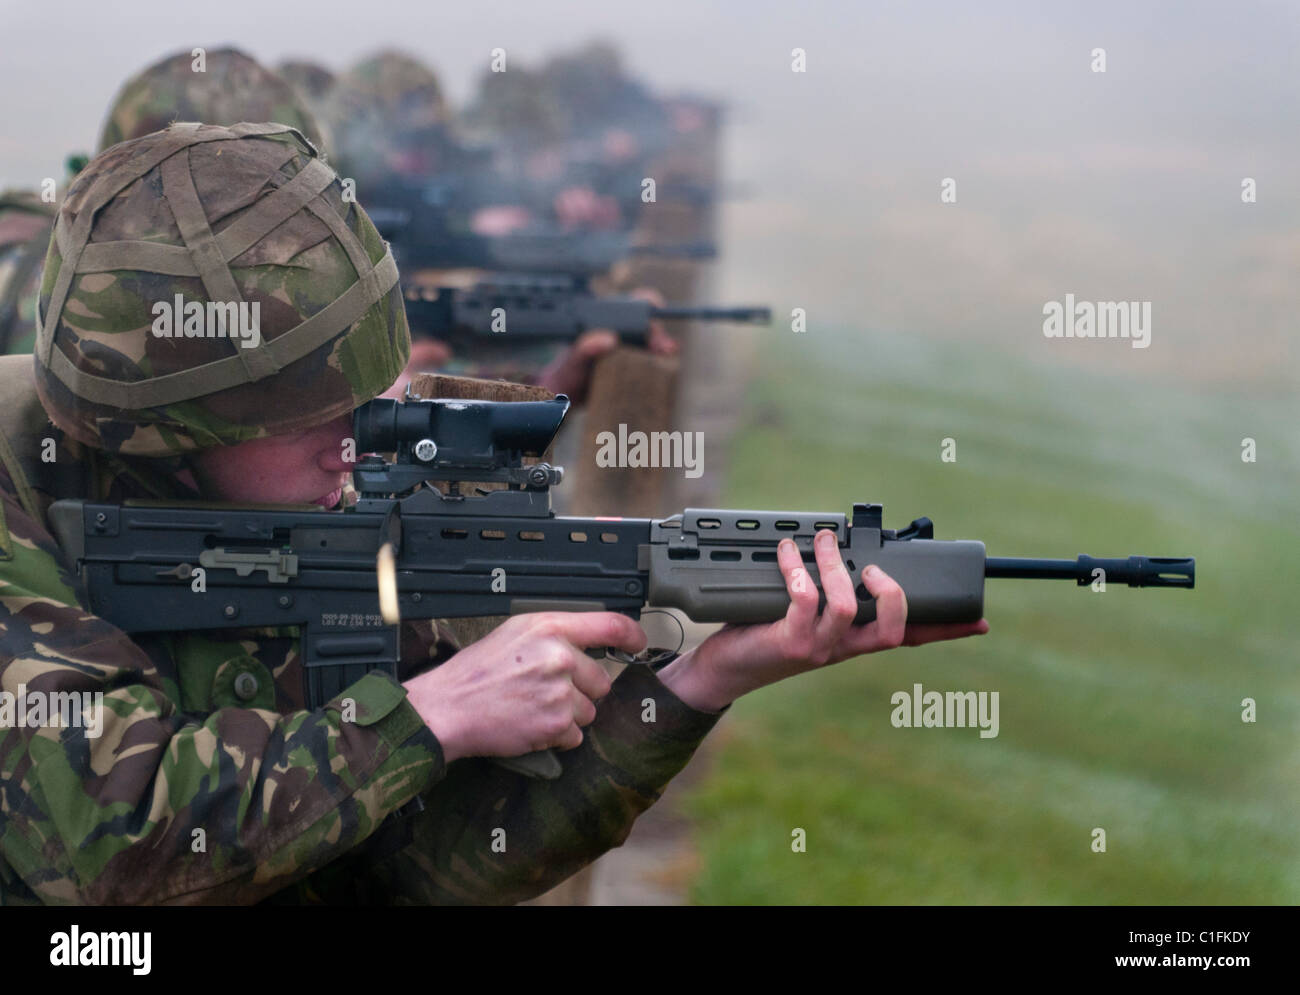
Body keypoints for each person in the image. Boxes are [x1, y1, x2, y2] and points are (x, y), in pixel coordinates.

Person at [0, 123, 986, 905]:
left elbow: (408, 875)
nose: (364, 439)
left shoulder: (334, 500)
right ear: (160, 430)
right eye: (313, 415)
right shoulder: (17, 501)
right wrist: (428, 715)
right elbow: (104, 852)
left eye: (377, 395)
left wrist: (695, 682)